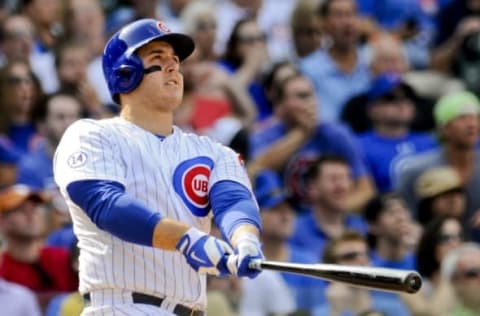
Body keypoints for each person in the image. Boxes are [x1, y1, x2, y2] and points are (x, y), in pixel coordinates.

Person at [52, 19, 264, 316]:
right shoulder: (92, 135)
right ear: (126, 73)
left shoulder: (212, 151)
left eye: (175, 61)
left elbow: (233, 200)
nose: (173, 67)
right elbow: (106, 205)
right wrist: (187, 239)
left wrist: (246, 240)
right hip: (121, 305)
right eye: (158, 59)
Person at [394, 90, 480, 241]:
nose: (472, 124)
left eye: (475, 117)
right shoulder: (416, 170)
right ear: (443, 128)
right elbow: (402, 217)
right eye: (462, 118)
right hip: (431, 249)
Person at [312, 231, 411, 316]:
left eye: (365, 254)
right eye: (350, 256)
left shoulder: (394, 307)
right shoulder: (317, 313)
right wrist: (335, 312)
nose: (362, 260)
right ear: (330, 270)